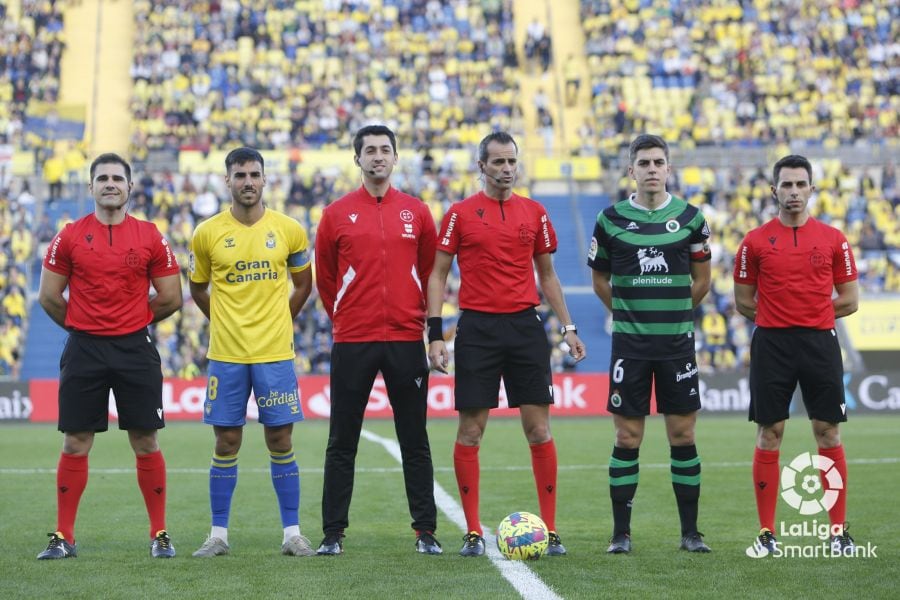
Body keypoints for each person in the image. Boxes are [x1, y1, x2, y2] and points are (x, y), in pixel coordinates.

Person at [428, 131, 586, 557]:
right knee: (471, 430)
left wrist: (569, 327)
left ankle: (550, 530)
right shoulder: (460, 214)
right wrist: (434, 333)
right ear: (482, 166)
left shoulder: (535, 212)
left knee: (538, 430)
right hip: (476, 329)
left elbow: (548, 275)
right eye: (497, 162)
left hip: (525, 328)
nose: (506, 168)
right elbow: (438, 275)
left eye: (511, 161)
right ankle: (473, 532)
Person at [36, 153, 182, 559]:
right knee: (75, 442)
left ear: (130, 187)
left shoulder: (151, 235)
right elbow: (48, 296)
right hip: (84, 348)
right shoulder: (68, 236)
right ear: (91, 187)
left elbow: (171, 297)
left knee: (145, 441)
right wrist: (84, 326)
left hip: (135, 347)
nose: (110, 183)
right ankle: (63, 536)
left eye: (118, 178)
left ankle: (160, 534)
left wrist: (129, 322)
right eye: (102, 178)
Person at [314, 125, 441, 556]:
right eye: (370, 151)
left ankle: (426, 531)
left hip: (406, 339)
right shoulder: (335, 214)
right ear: (358, 159)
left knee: (415, 439)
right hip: (353, 340)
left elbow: (428, 272)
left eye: (385, 150)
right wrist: (346, 318)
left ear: (395, 157)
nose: (378, 157)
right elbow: (326, 278)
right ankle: (333, 534)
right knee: (341, 440)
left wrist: (419, 320)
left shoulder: (418, 212)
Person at [587, 134, 712, 554]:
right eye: (644, 163)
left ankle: (691, 534)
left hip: (677, 346)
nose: (652, 169)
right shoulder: (609, 220)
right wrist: (627, 313)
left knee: (682, 434)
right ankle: (621, 534)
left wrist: (675, 312)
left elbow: (703, 281)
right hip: (631, 347)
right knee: (627, 437)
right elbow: (600, 280)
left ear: (669, 169)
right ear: (631, 171)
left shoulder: (692, 218)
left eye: (659, 162)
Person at [189, 147, 314, 557]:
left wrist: (281, 320)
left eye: (254, 174)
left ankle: (292, 534)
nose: (247, 181)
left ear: (264, 179)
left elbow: (303, 285)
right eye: (239, 175)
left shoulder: (290, 229)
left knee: (280, 438)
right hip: (226, 355)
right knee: (226, 441)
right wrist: (223, 321)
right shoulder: (207, 233)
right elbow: (197, 288)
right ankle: (218, 535)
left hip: (275, 354)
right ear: (227, 180)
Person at [734, 154, 858, 556]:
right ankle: (767, 533)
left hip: (820, 343)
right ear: (774, 191)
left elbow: (851, 300)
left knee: (828, 431)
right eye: (785, 185)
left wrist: (810, 315)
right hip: (772, 344)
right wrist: (779, 317)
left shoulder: (834, 239)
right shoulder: (753, 241)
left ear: (811, 189)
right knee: (770, 433)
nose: (793, 192)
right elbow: (742, 300)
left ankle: (837, 532)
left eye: (800, 184)